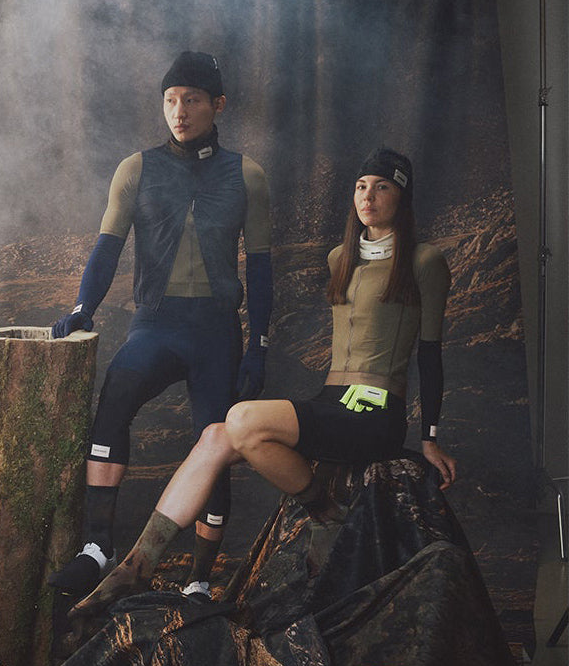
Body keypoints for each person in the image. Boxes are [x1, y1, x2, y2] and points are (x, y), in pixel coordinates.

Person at [71, 146, 457, 616]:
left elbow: (431, 353)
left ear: (402, 197)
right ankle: (136, 567)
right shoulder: (340, 257)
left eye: (382, 187)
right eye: (361, 186)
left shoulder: (424, 261)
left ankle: (326, 514)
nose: (368, 197)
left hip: (375, 408)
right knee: (215, 437)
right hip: (333, 399)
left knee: (240, 420)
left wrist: (429, 437)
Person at [48, 50, 273, 600]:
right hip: (156, 324)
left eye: (191, 100)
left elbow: (262, 268)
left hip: (217, 332)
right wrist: (83, 307)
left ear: (218, 104)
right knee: (115, 398)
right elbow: (107, 248)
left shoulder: (247, 174)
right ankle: (98, 546)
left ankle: (200, 577)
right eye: (170, 100)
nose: (179, 111)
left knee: (214, 443)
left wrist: (259, 346)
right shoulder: (136, 168)